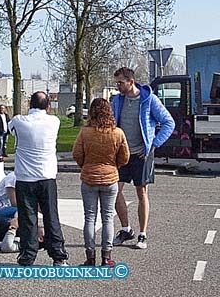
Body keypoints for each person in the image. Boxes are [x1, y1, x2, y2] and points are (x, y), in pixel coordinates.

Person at [111, 67, 175, 250]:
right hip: (122, 154)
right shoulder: (117, 100)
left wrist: (154, 144)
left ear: (131, 81)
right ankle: (125, 229)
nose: (118, 87)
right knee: (114, 191)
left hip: (142, 154)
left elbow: (169, 122)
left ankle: (142, 234)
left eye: (120, 83)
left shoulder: (149, 100)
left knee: (142, 193)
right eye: (117, 83)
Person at [9, 91, 68, 266]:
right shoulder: (54, 122)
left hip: (25, 178)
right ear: (48, 106)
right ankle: (58, 255)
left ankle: (27, 256)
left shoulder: (19, 121)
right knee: (51, 217)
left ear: (30, 105)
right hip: (47, 176)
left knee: (28, 219)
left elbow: (10, 130)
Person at [73, 97, 130, 266]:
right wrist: (114, 165)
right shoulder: (118, 133)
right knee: (107, 218)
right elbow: (125, 157)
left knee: (89, 218)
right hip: (110, 178)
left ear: (92, 112)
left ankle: (90, 257)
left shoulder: (85, 132)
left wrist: (85, 165)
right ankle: (106, 257)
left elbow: (77, 153)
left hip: (89, 177)